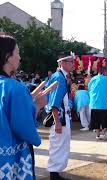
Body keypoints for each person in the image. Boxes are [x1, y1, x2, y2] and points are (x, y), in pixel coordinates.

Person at [0, 35, 46, 179]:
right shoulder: (15, 87)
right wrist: (37, 106)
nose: (20, 57)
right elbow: (23, 127)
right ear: (8, 56)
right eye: (17, 52)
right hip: (11, 158)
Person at [46, 53, 74, 180]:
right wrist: (57, 121)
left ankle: (56, 173)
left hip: (63, 116)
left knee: (61, 145)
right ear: (62, 62)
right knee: (58, 145)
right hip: (59, 118)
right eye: (70, 61)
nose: (73, 63)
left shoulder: (62, 76)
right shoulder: (59, 77)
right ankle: (54, 174)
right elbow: (54, 101)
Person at [88, 67, 107, 140]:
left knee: (96, 120)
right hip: (105, 103)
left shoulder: (93, 79)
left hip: (94, 103)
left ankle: (97, 135)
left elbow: (89, 88)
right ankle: (103, 133)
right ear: (105, 72)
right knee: (105, 119)